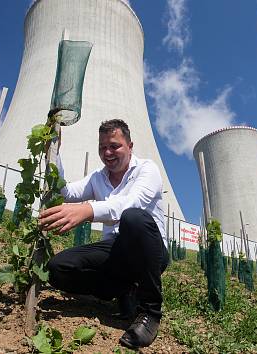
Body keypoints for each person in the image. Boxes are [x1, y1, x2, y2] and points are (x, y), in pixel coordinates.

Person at [38, 119, 169, 349]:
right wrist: (55, 152)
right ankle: (122, 290)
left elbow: (131, 202)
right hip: (115, 249)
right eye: (102, 147)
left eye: (114, 146)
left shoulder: (147, 170)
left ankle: (150, 312)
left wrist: (87, 210)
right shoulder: (98, 177)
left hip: (147, 249)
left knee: (133, 217)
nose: (107, 153)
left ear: (130, 145)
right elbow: (65, 192)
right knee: (58, 269)